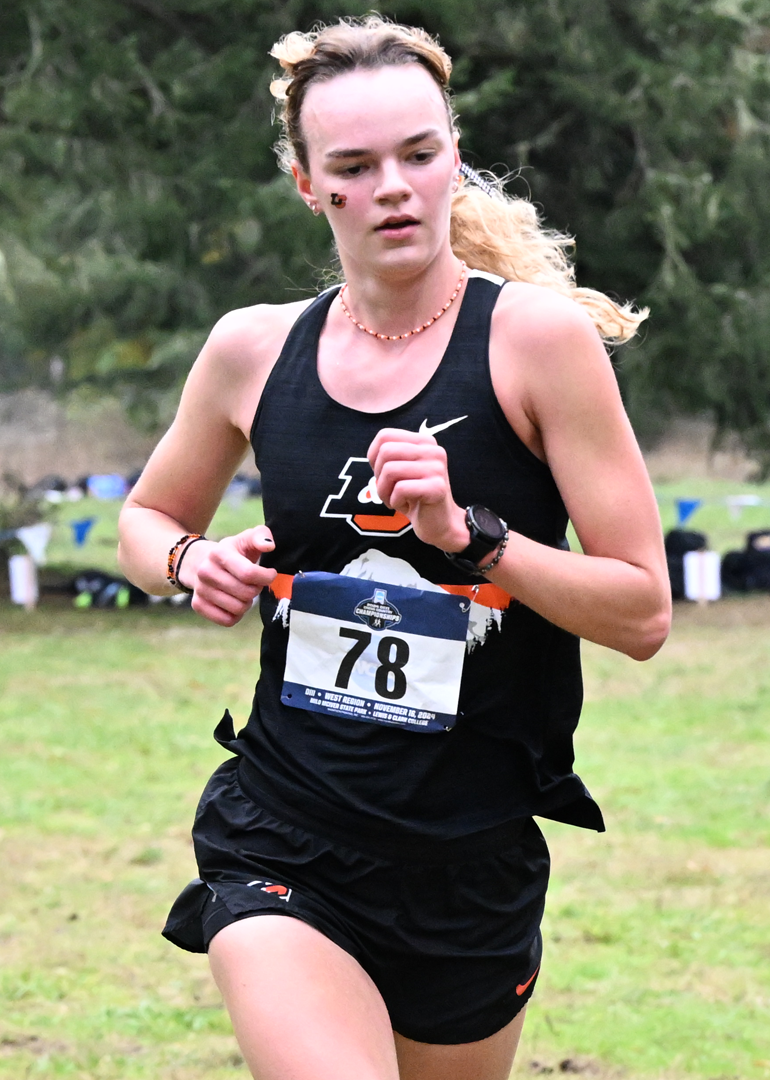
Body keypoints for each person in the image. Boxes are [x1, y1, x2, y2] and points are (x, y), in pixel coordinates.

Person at [116, 18, 670, 1079]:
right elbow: (144, 520)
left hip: (470, 859)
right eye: (355, 167)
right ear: (308, 187)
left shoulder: (536, 345)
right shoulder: (252, 348)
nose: (394, 188)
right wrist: (193, 563)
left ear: (454, 158)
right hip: (284, 830)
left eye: (419, 155)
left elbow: (641, 612)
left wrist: (475, 539)